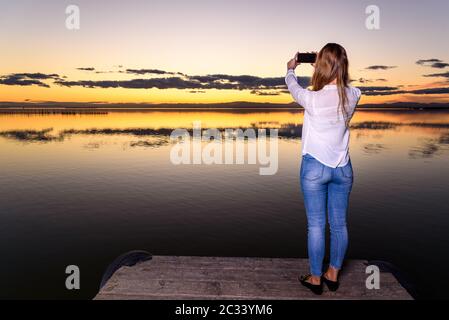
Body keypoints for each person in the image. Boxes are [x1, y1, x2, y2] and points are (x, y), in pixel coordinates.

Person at [285, 43, 362, 295]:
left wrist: (291, 69)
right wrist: (323, 65)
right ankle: (333, 273)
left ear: (323, 65)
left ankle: (316, 278)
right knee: (339, 225)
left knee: (316, 226)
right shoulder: (354, 95)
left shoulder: (312, 99)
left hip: (314, 169)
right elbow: (338, 90)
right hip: (343, 170)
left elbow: (293, 87)